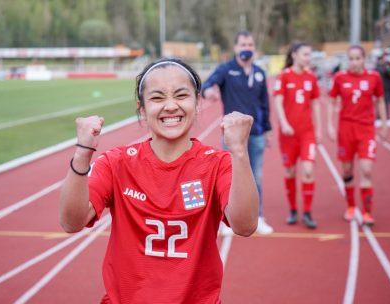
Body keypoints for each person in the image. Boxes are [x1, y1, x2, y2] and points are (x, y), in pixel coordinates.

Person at [59, 58, 259, 304]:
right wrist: (82, 154)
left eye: (181, 95)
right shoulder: (117, 163)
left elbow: (245, 225)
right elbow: (71, 222)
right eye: (157, 98)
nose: (171, 106)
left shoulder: (217, 164)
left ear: (197, 103)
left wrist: (239, 151)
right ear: (141, 109)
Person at [202, 31, 274, 234]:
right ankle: (227, 219)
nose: (246, 48)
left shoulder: (259, 72)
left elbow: (265, 103)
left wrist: (267, 129)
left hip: (257, 133)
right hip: (233, 135)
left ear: (254, 48)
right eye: (243, 44)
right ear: (235, 48)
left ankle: (258, 217)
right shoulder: (226, 69)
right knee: (230, 176)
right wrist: (208, 91)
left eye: (250, 44)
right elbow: (208, 83)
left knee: (255, 177)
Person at [327, 45, 388, 226]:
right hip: (346, 129)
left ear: (364, 59)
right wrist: (330, 125)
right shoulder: (340, 77)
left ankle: (368, 213)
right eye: (351, 59)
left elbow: (381, 101)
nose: (354, 62)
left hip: (366, 129)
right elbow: (331, 101)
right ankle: (351, 206)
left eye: (357, 58)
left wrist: (383, 124)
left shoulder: (374, 77)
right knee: (347, 170)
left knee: (366, 169)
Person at [273, 42, 321, 229]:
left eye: (310, 54)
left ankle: (307, 212)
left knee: (308, 171)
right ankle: (293, 210)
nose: (308, 58)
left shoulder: (311, 77)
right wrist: (284, 123)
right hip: (288, 134)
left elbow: (316, 103)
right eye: (305, 54)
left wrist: (318, 129)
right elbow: (278, 101)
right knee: (290, 171)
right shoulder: (284, 76)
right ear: (294, 55)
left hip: (306, 132)